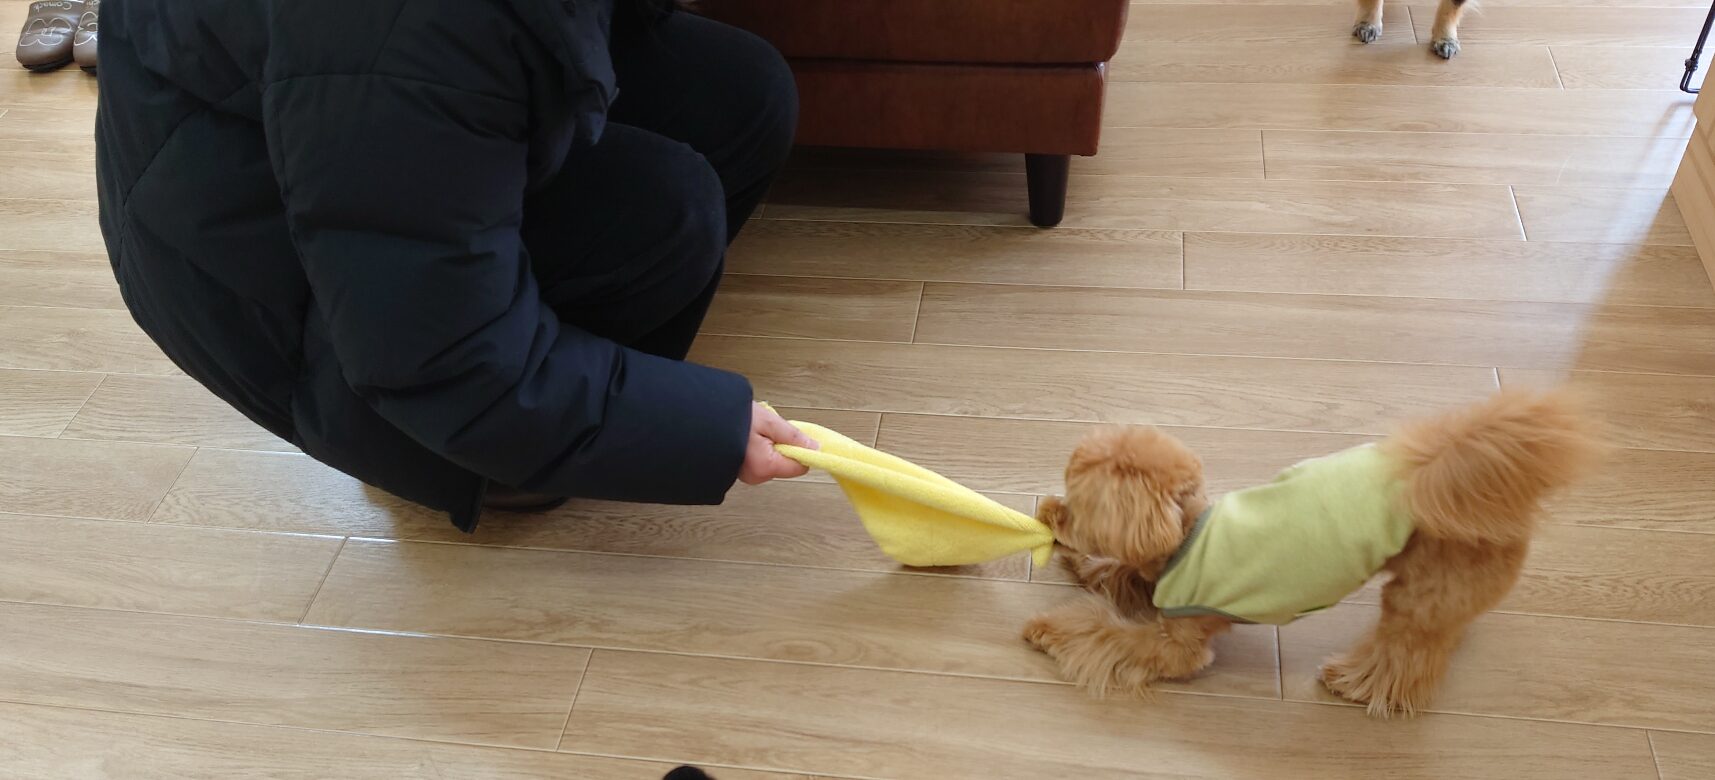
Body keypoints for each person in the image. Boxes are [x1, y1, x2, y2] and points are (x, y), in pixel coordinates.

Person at [94, 0, 816, 532]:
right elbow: (436, 356)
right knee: (669, 211)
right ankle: (466, 462)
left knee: (744, 93)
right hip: (252, 271)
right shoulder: (401, 35)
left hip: (333, 123)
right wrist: (706, 430)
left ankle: (561, 398)